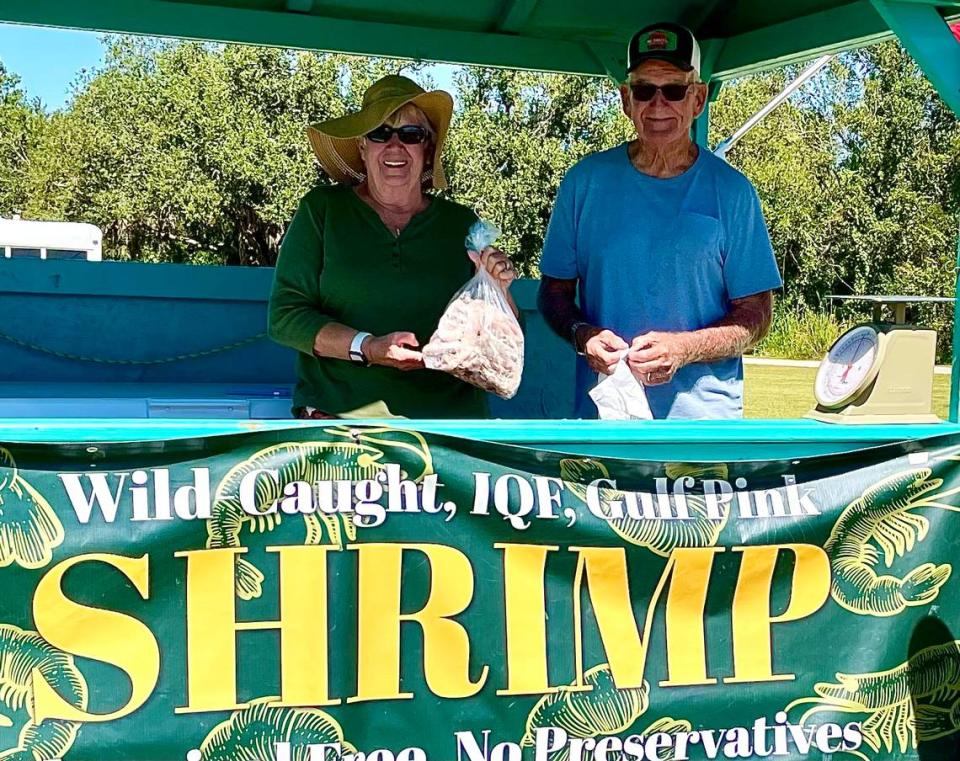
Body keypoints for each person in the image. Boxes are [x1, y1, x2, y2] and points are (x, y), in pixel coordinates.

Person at [537, 23, 782, 420]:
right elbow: (553, 293)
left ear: (698, 99)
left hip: (703, 429)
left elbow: (757, 317)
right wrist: (584, 337)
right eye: (644, 90)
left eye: (673, 90)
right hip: (605, 418)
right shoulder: (584, 183)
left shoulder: (733, 193)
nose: (657, 105)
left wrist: (684, 349)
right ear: (625, 99)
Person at [269, 75, 516, 419]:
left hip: (452, 431)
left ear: (427, 149)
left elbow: (498, 338)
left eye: (411, 135)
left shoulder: (462, 224)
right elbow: (285, 317)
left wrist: (499, 289)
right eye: (380, 133)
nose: (395, 146)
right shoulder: (322, 210)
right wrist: (367, 347)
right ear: (362, 147)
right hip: (340, 424)